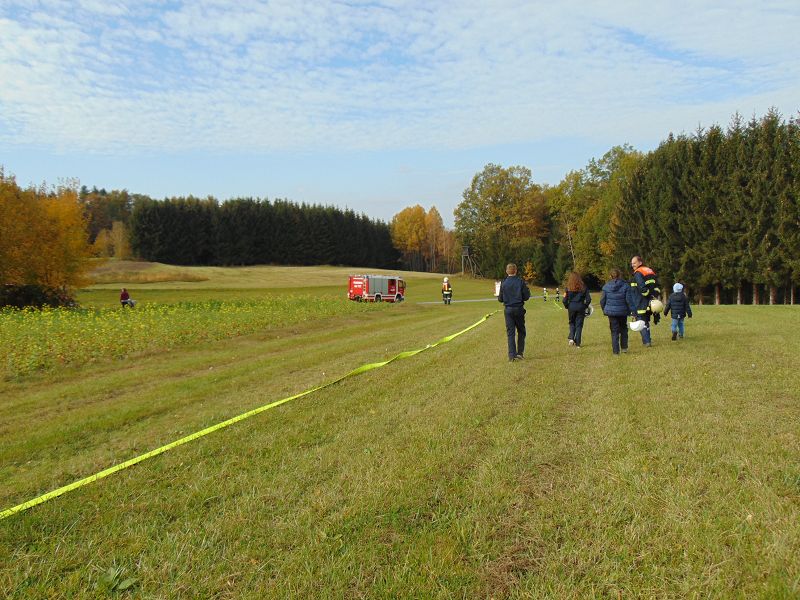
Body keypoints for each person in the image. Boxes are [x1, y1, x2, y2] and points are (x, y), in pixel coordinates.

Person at [498, 263, 531, 362]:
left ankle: (512, 355)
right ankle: (520, 353)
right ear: (516, 271)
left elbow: (500, 299)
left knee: (510, 333)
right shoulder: (520, 282)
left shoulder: (504, 283)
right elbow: (526, 297)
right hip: (519, 309)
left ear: (507, 271)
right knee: (521, 331)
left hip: (508, 310)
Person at [628, 255, 661, 347]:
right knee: (646, 321)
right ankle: (647, 340)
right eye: (632, 263)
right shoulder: (650, 271)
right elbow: (657, 286)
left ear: (640, 262)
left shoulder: (638, 273)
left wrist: (647, 295)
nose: (632, 265)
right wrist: (653, 296)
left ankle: (647, 342)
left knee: (641, 321)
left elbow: (642, 288)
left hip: (641, 302)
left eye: (634, 263)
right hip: (651, 303)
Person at [600, 268, 633, 355]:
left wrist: (604, 309)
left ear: (610, 276)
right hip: (623, 311)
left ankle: (615, 351)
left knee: (614, 331)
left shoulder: (606, 287)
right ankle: (624, 348)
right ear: (620, 275)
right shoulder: (626, 286)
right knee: (623, 329)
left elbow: (602, 300)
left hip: (611, 312)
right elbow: (629, 300)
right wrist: (632, 311)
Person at [562, 272, 591, 348]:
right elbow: (589, 299)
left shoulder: (568, 288)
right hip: (581, 307)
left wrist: (567, 306)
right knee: (579, 325)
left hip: (571, 307)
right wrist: (585, 306)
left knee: (572, 322)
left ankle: (571, 338)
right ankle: (578, 343)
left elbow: (564, 300)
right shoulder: (584, 287)